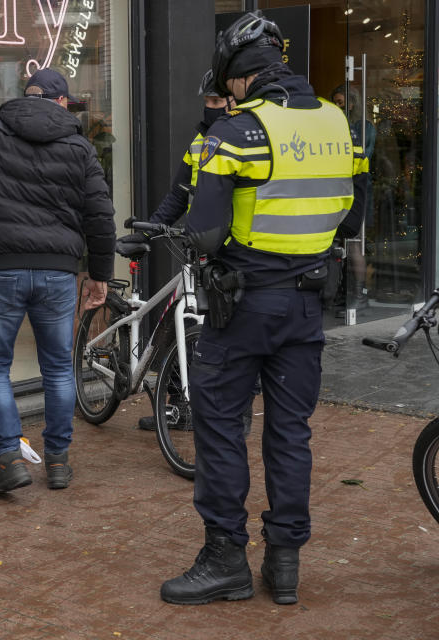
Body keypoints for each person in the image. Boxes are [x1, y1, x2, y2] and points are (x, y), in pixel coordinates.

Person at [158, 12, 368, 606]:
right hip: (308, 303)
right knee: (289, 433)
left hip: (243, 303)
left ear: (239, 77)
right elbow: (353, 216)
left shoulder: (238, 130)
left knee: (221, 427)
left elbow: (203, 231)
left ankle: (226, 558)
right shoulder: (338, 123)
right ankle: (284, 562)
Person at [0, 68, 116, 495]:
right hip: (57, 270)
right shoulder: (79, 147)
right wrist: (101, 275)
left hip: (2, 267)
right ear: (64, 103)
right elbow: (100, 217)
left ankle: (11, 457)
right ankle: (58, 463)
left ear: (26, 97)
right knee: (56, 367)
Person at [119, 72, 255, 435]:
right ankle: (178, 406)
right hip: (200, 249)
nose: (209, 109)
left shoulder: (247, 134)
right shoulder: (200, 140)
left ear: (233, 100)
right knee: (182, 322)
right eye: (207, 103)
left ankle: (228, 412)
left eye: (216, 103)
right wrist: (151, 227)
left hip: (236, 251)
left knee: (224, 332)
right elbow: (179, 193)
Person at [331, 84, 376, 313]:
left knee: (356, 245)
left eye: (342, 102)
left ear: (353, 103)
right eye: (336, 102)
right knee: (344, 244)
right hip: (343, 189)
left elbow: (361, 158)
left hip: (358, 190)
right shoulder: (341, 126)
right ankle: (345, 292)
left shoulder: (363, 127)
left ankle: (359, 295)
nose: (339, 107)